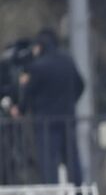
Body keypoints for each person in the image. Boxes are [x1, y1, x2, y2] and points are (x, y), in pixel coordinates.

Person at [11, 28, 85, 183]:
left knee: (48, 161)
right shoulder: (67, 61)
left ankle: (52, 192)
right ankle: (78, 192)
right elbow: (81, 85)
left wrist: (21, 109)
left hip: (45, 122)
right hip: (68, 118)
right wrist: (70, 102)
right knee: (72, 159)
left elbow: (28, 94)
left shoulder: (38, 67)